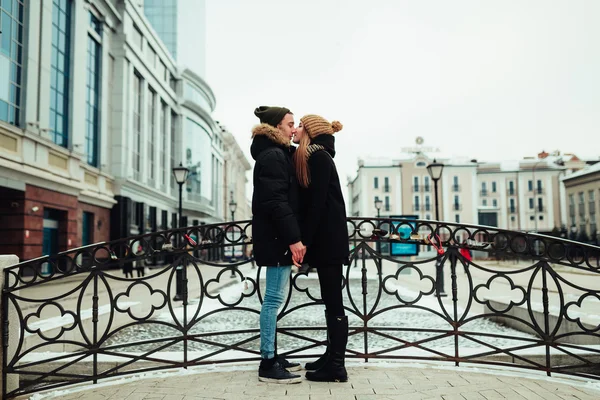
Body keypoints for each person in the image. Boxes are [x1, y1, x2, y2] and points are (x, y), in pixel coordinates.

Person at [251, 106, 306, 384]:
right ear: (275, 127)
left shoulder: (275, 153)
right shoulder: (273, 156)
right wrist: (293, 239)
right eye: (289, 124)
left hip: (275, 237)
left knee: (275, 299)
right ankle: (268, 363)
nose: (293, 129)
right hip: (276, 238)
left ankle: (272, 354)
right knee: (272, 300)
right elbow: (275, 202)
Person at [292, 114, 349, 382]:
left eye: (300, 125)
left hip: (329, 241)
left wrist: (304, 240)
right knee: (329, 299)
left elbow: (316, 204)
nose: (296, 129)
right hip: (328, 239)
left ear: (311, 131)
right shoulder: (315, 155)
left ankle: (337, 366)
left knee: (334, 302)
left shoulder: (319, 157)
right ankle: (331, 356)